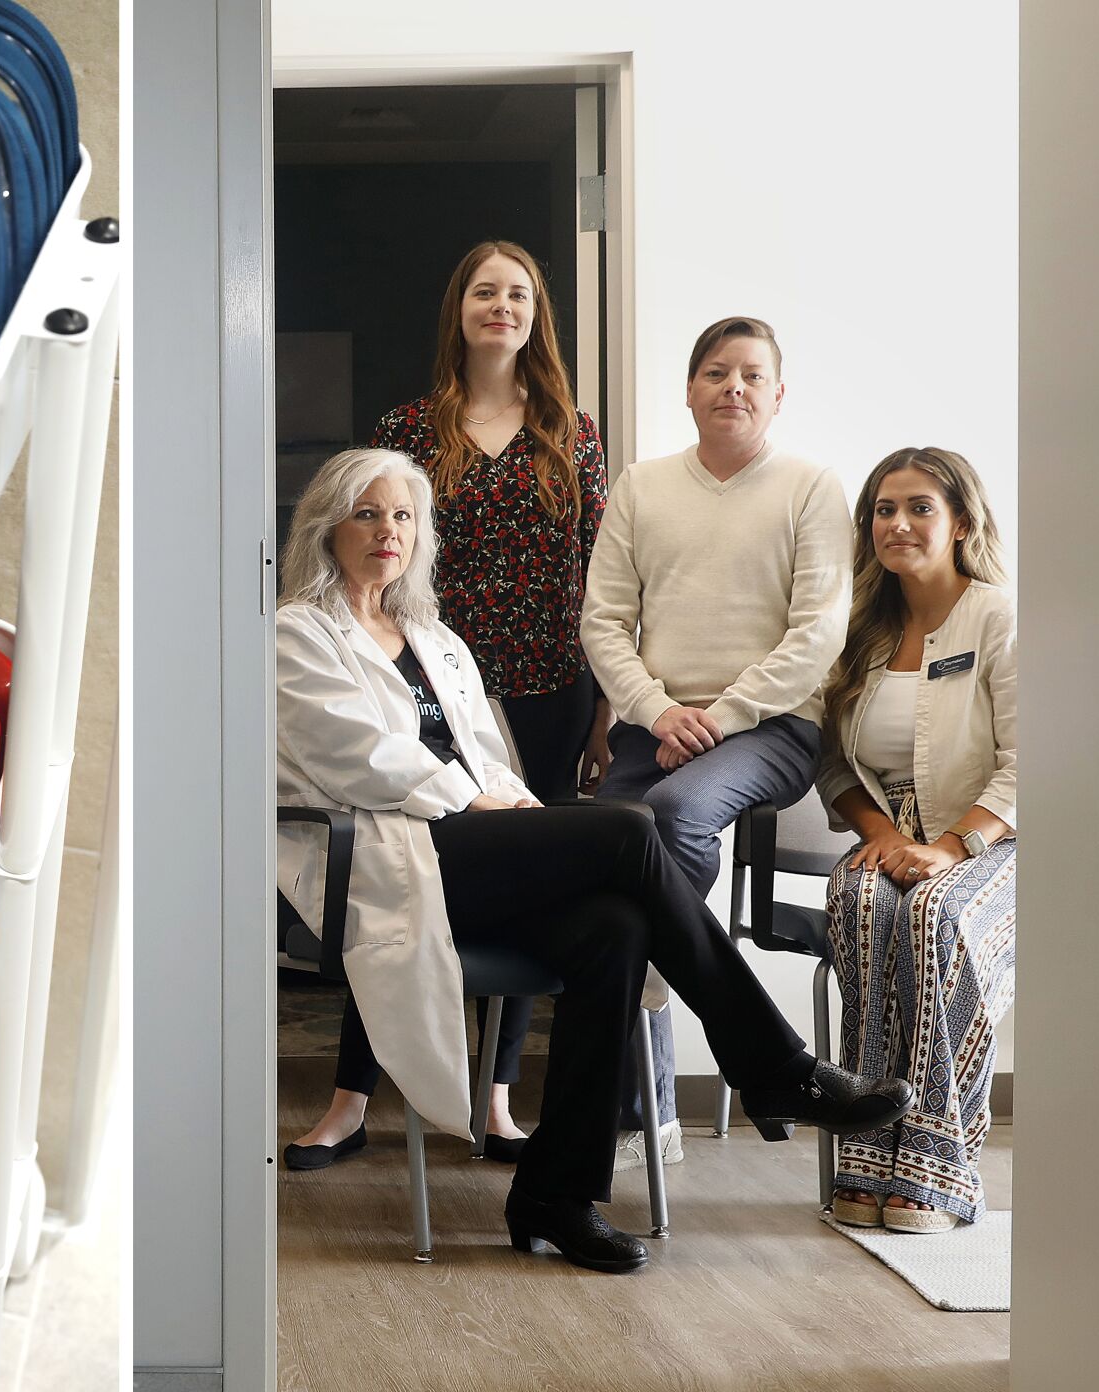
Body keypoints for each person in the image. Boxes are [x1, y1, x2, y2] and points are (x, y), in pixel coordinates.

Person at [275, 446, 910, 1273]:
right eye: (367, 514)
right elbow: (353, 755)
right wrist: (481, 805)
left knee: (611, 925)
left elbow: (487, 757)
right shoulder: (296, 634)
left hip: (468, 846)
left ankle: (555, 1194)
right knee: (629, 830)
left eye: (403, 516)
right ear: (328, 527)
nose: (388, 532)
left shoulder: (434, 638)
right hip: (383, 853)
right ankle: (775, 1065)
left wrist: (515, 808)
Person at [357, 240, 610, 1157]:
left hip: (548, 687)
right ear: (458, 310)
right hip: (432, 689)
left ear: (536, 313)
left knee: (523, 884)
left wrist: (606, 704)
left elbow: (598, 571)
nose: (501, 307)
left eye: (518, 294)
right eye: (484, 292)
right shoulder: (408, 428)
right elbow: (379, 567)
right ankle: (353, 1094)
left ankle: (498, 1095)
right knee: (392, 874)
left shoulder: (573, 431)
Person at [580, 316, 852, 1165]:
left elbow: (818, 632)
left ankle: (659, 991)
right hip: (654, 726)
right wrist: (658, 712)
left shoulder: (810, 487)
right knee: (595, 884)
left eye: (751, 376)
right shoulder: (641, 485)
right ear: (690, 390)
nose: (732, 387)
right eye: (715, 373)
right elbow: (603, 619)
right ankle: (646, 1110)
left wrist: (719, 719)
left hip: (770, 729)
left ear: (777, 395)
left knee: (666, 817)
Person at [816, 448, 1015, 1233]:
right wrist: (881, 832)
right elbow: (831, 761)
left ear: (961, 522)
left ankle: (939, 1164)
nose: (898, 524)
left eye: (920, 507)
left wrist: (955, 845)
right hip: (894, 833)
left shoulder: (999, 617)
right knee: (860, 900)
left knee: (934, 912)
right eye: (884, 509)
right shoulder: (859, 631)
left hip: (998, 840)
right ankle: (868, 1151)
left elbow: (1035, 758)